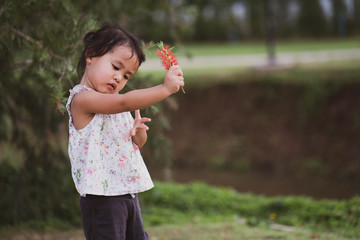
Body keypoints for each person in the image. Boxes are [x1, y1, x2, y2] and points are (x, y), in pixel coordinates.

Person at [66, 24, 184, 240]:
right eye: (115, 67)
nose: (119, 78)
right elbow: (124, 103)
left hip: (126, 193)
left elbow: (137, 143)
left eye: (127, 75)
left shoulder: (114, 101)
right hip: (101, 199)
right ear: (90, 55)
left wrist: (139, 132)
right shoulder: (82, 99)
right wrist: (164, 89)